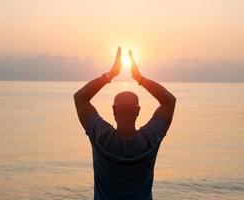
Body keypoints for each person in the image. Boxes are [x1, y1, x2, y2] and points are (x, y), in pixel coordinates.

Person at [74, 47, 176, 200]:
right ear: (138, 111)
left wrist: (111, 74)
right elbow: (169, 101)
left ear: (114, 111)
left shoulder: (101, 137)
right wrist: (140, 78)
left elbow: (80, 97)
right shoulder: (150, 140)